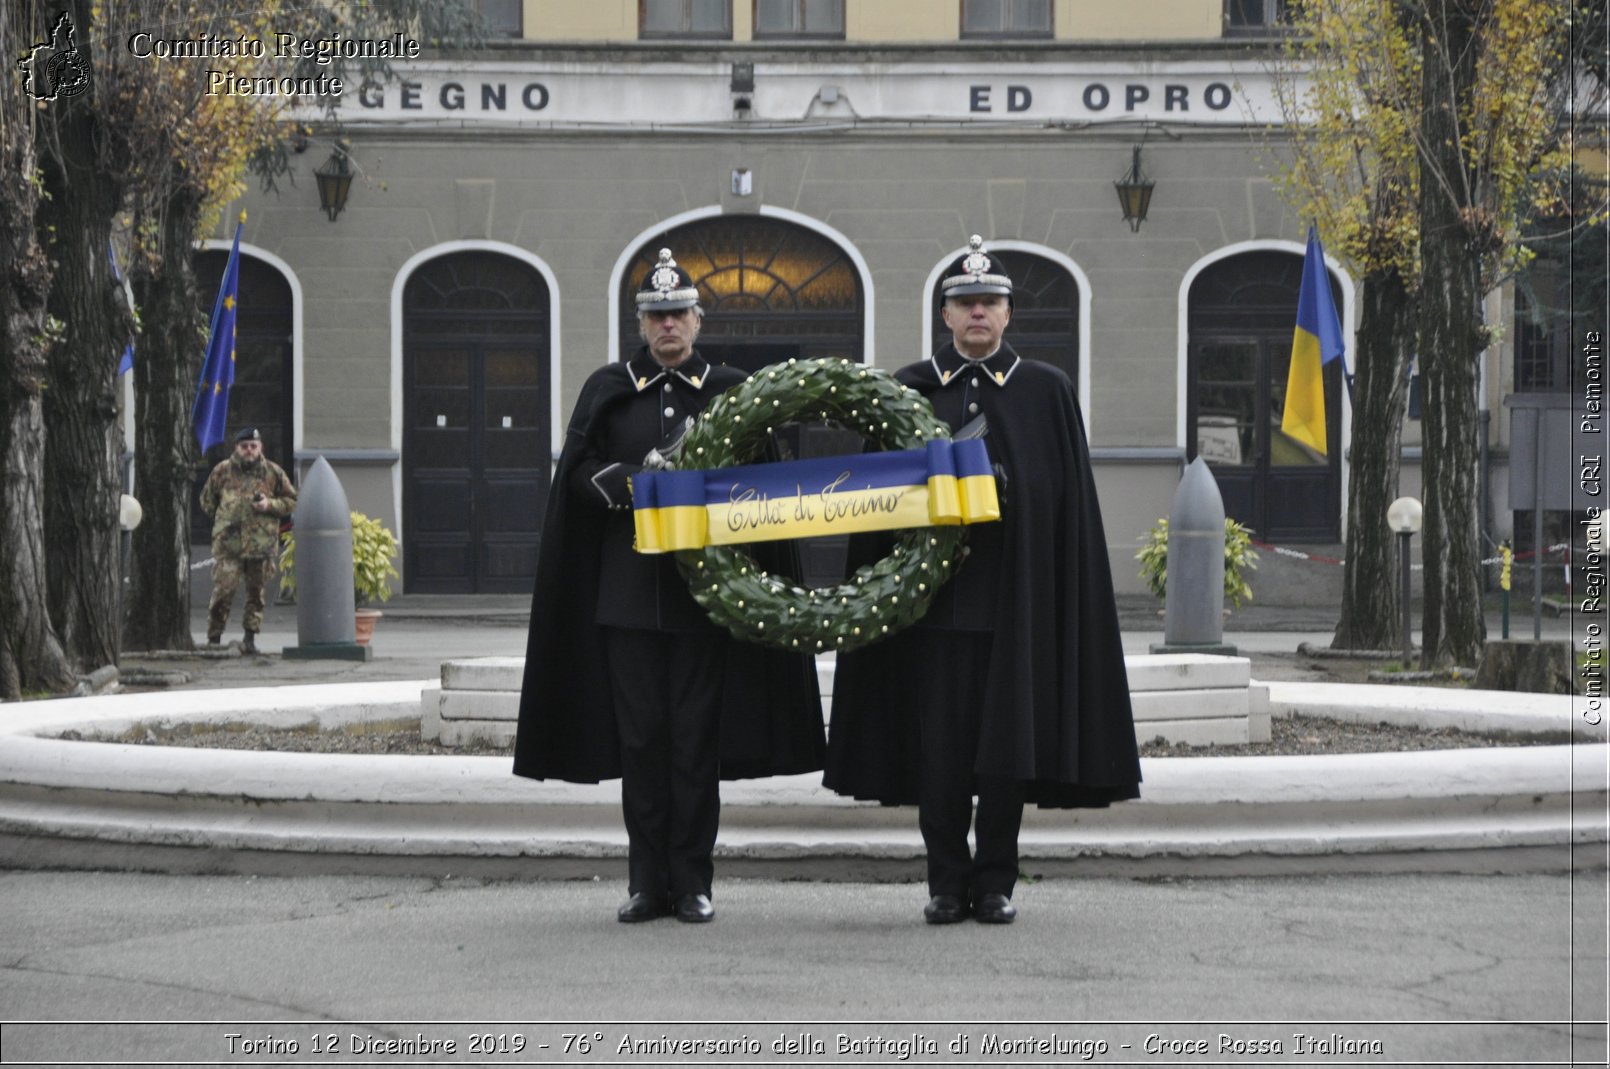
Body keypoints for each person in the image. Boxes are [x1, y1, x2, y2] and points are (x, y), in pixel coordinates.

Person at [825, 236, 1141, 925]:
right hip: (931, 610)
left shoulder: (1044, 391)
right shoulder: (907, 390)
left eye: (989, 303)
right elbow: (876, 500)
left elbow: (1064, 504)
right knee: (938, 753)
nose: (977, 314)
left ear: (1007, 314)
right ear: (945, 314)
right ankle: (944, 881)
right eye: (965, 303)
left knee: (1006, 753)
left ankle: (996, 880)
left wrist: (1007, 489)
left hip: (1012, 603)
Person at [513, 249, 823, 924]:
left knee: (693, 744)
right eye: (656, 316)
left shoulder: (732, 390)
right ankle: (646, 882)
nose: (668, 326)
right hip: (627, 601)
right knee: (643, 743)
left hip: (705, 603)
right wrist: (638, 484)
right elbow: (578, 474)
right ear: (642, 323)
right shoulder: (608, 387)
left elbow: (765, 481)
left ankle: (694, 881)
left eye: (678, 313)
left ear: (698, 319)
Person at [200, 427, 297, 654]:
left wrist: (269, 505)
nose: (249, 451)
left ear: (260, 447)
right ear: (237, 448)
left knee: (256, 594)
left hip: (260, 546)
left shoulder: (272, 472)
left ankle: (250, 639)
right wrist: (225, 518)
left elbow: (291, 501)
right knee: (223, 591)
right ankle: (214, 639)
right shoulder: (222, 471)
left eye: (253, 446)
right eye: (244, 446)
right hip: (228, 545)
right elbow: (207, 501)